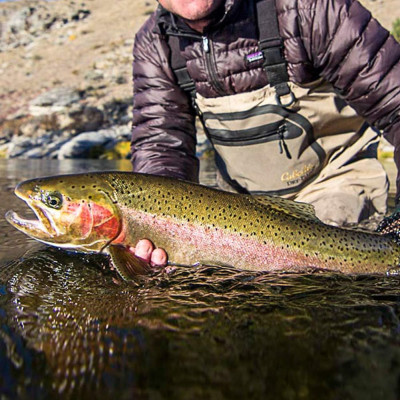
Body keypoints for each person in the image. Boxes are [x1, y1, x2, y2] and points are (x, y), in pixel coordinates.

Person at [130, 0, 400, 267]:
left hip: (335, 188)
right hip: (239, 215)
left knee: (322, 291)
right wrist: (155, 228)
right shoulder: (156, 42)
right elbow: (161, 146)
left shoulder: (307, 8)